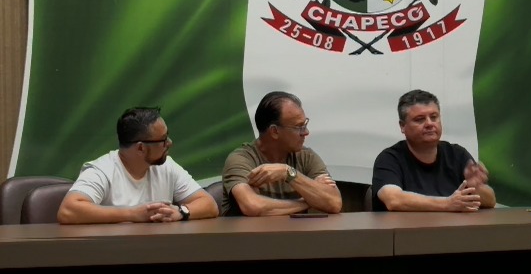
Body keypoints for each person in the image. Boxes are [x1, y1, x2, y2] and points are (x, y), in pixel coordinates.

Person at [57, 107, 218, 224]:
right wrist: (132, 214)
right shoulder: (102, 170)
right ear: (141, 148)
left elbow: (209, 204)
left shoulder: (166, 166)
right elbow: (68, 210)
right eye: (163, 140)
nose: (169, 143)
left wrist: (181, 212)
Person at [371, 89, 496, 212]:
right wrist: (447, 204)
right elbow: (393, 200)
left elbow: (490, 201)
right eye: (420, 119)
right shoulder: (389, 159)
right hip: (406, 226)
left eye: (434, 117)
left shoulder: (457, 154)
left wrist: (476, 187)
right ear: (402, 126)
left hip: (452, 226)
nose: (429, 124)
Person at [221, 91, 342, 216]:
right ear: (274, 131)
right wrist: (309, 201)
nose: (306, 132)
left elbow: (334, 203)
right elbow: (253, 206)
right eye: (298, 127)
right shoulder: (241, 159)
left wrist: (288, 173)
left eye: (305, 124)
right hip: (250, 229)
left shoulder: (306, 156)